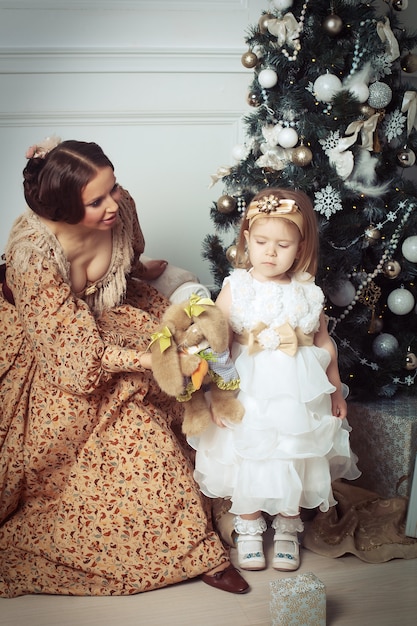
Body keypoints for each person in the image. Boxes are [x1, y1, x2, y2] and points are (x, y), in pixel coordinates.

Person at [0, 137, 249, 597]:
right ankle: (193, 549)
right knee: (128, 413)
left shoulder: (122, 207)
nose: (113, 203)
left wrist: (136, 268)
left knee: (206, 378)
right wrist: (153, 360)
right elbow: (75, 359)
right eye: (96, 201)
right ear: (59, 210)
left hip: (117, 315)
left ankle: (240, 507)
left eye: (112, 188)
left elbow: (129, 250)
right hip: (57, 348)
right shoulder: (33, 257)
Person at [189, 187, 361, 573]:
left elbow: (323, 343)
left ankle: (287, 526)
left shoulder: (308, 292)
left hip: (296, 393)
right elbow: (219, 341)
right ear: (246, 239)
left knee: (291, 453)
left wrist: (334, 388)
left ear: (300, 248)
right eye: (262, 242)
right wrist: (219, 396)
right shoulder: (238, 287)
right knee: (247, 453)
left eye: (282, 244)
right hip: (247, 388)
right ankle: (249, 527)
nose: (270, 252)